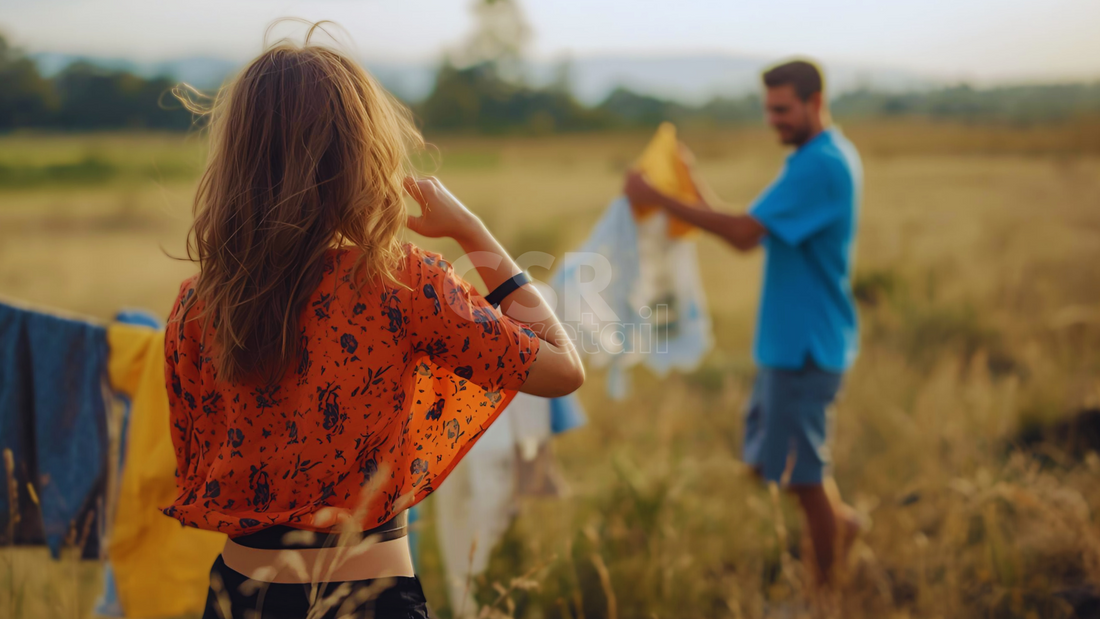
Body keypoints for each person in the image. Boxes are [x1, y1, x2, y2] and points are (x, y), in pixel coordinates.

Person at [163, 33, 584, 619]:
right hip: (370, 599)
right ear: (362, 153)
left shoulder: (197, 304)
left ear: (238, 156)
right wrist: (472, 231)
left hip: (239, 596)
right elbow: (563, 369)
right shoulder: (403, 285)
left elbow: (199, 458)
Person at [623, 59, 863, 586]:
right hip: (794, 343)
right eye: (768, 109)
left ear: (814, 101)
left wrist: (658, 197)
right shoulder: (818, 156)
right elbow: (749, 223)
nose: (773, 119)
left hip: (804, 347)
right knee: (784, 470)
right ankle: (840, 530)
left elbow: (741, 235)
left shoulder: (818, 165)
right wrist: (689, 180)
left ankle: (826, 591)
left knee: (804, 477)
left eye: (783, 109)